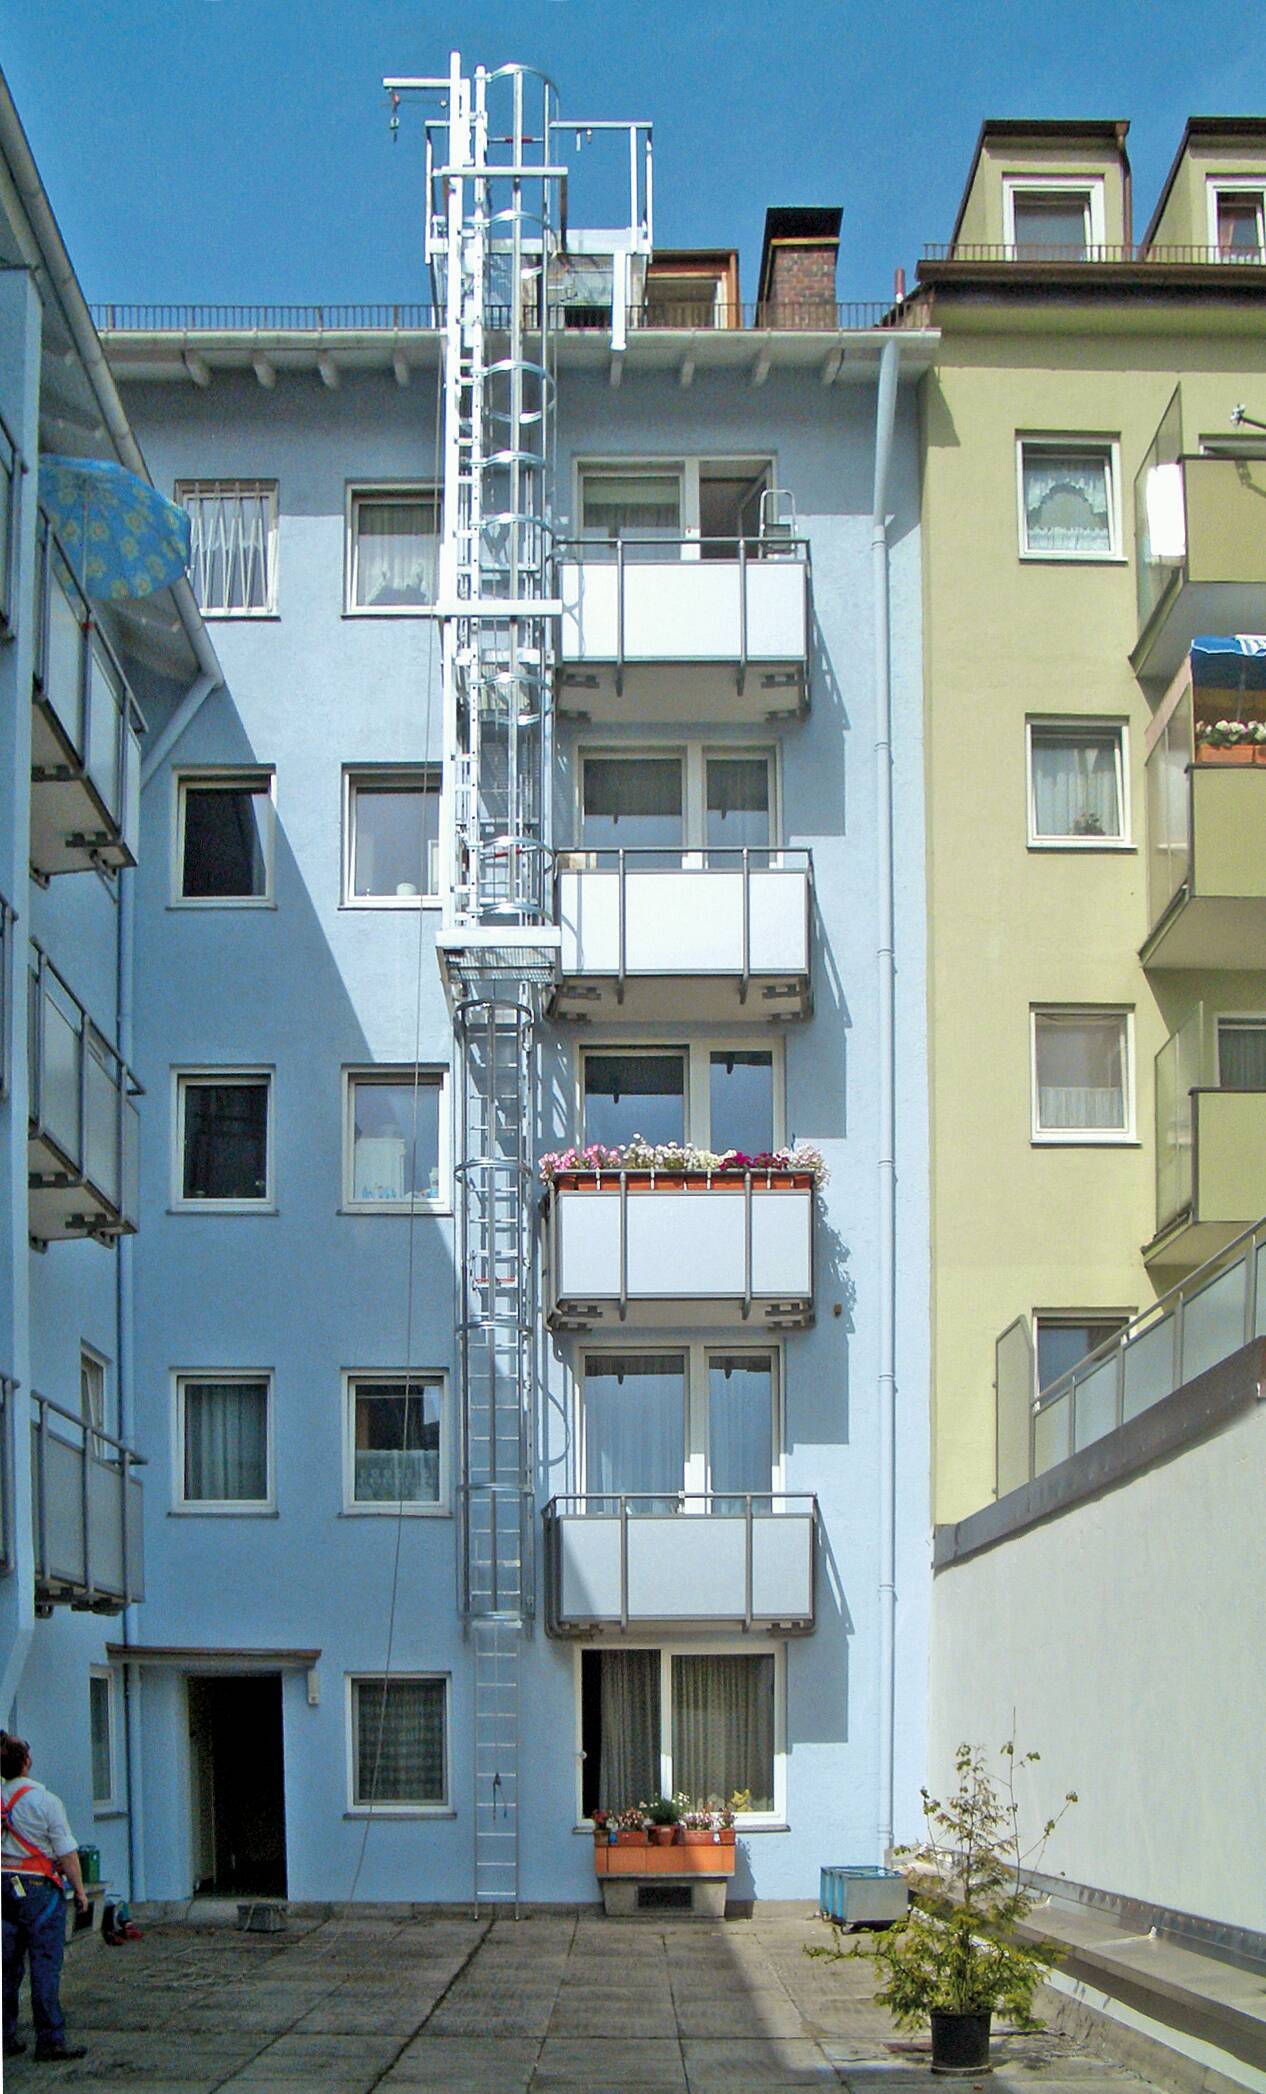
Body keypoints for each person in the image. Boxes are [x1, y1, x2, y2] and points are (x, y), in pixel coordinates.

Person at [1, 1732, 88, 2062]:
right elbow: (66, 1853)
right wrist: (79, 1891)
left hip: (3, 1886)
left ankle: (5, 2036)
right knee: (44, 1964)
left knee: (6, 1967)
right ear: (27, 1762)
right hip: (39, 1890)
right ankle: (50, 2039)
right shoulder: (45, 1801)